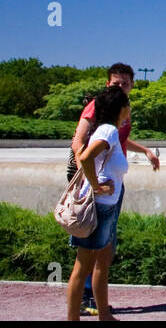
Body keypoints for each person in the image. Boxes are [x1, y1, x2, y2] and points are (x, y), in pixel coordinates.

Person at [67, 63, 159, 315]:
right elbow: (80, 144)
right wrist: (90, 182)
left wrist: (146, 151)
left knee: (103, 252)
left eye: (125, 83)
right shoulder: (98, 106)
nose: (121, 86)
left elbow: (116, 140)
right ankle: (87, 299)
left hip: (108, 189)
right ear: (108, 83)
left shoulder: (118, 115)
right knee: (91, 255)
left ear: (132, 85)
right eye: (116, 83)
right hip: (97, 191)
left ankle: (101, 308)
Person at [65, 85, 131, 321]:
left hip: (107, 207)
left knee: (102, 264)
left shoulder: (109, 130)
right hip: (99, 207)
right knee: (82, 267)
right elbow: (84, 157)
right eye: (127, 105)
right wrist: (96, 187)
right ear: (121, 109)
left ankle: (104, 315)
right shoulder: (108, 131)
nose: (129, 109)